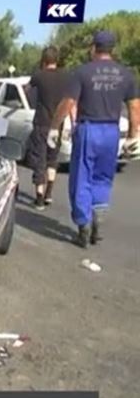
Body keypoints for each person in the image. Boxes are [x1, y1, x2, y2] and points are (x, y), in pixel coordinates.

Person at [49, 31, 140, 248]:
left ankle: (83, 226)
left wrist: (54, 126)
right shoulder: (126, 75)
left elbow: (69, 102)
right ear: (112, 49)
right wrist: (133, 136)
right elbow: (135, 107)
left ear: (93, 48)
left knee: (81, 178)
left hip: (89, 129)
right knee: (103, 178)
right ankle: (97, 219)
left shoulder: (82, 72)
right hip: (111, 131)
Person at [23, 46, 71, 210]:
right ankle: (49, 193)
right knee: (52, 159)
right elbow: (70, 101)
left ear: (44, 60)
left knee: (39, 160)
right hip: (57, 125)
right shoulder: (66, 77)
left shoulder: (39, 76)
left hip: (41, 124)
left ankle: (39, 198)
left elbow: (27, 90)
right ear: (56, 60)